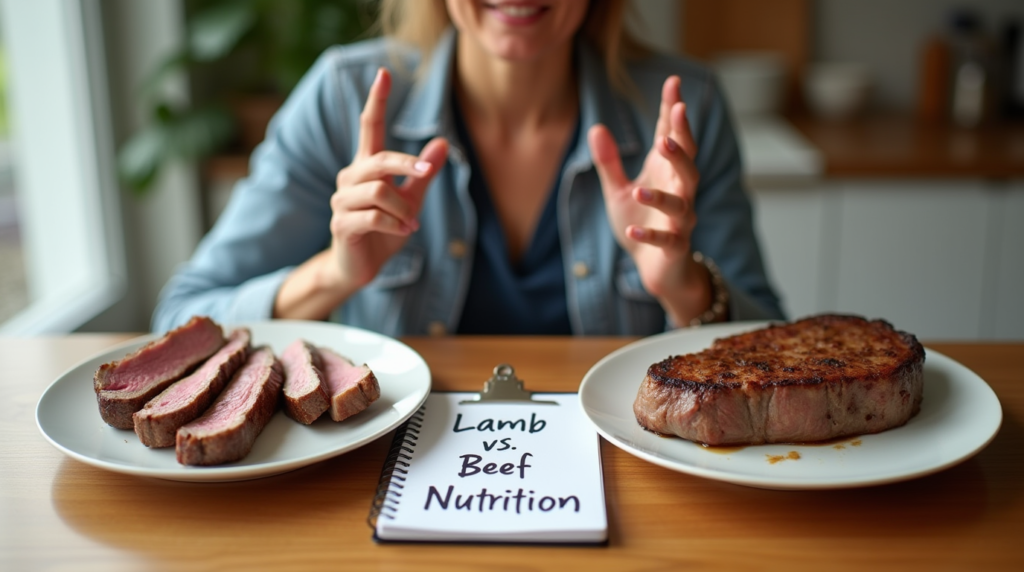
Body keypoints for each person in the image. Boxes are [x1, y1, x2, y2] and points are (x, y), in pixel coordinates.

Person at [152, 0, 784, 337]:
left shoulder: (685, 107)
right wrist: (334, 274)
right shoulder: (344, 97)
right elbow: (182, 318)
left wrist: (684, 287)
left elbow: (774, 344)